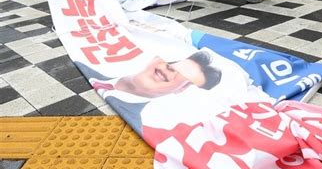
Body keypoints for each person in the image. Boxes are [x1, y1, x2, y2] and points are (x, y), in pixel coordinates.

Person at [78, 51, 222, 135]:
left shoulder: (136, 130)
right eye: (174, 63)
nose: (169, 70)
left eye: (185, 76)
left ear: (183, 89)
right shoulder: (82, 65)